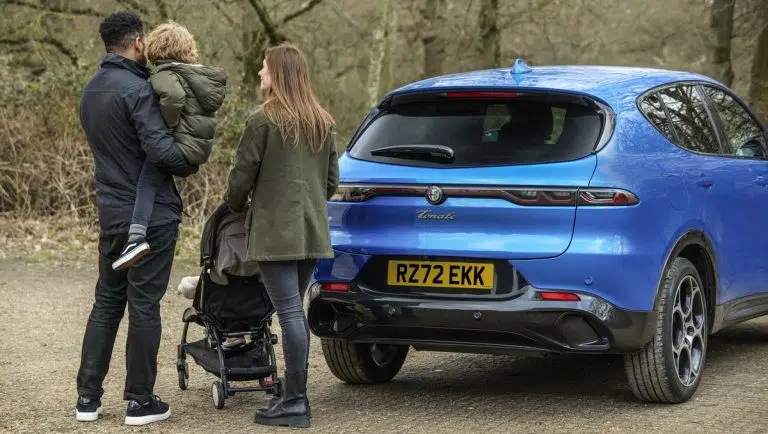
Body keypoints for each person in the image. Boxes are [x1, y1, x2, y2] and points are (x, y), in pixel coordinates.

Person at [75, 11, 198, 426]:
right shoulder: (139, 90)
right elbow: (160, 152)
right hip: (150, 220)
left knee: (107, 303)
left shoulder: (91, 89)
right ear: (139, 42)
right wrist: (189, 159)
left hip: (110, 213)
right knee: (144, 305)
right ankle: (140, 401)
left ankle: (87, 399)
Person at [224, 42, 339, 429]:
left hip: (276, 233)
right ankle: (294, 396)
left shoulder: (263, 121)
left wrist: (234, 205)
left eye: (265, 69)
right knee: (294, 312)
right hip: (311, 232)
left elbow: (241, 177)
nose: (260, 74)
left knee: (289, 313)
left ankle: (296, 401)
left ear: (280, 75)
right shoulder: (323, 121)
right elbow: (331, 183)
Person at [112, 20, 227, 271]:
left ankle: (136, 237)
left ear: (157, 48)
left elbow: (173, 98)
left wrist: (165, 127)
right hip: (196, 148)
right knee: (154, 179)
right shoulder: (194, 74)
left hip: (180, 145)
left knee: (146, 179)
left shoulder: (166, 75)